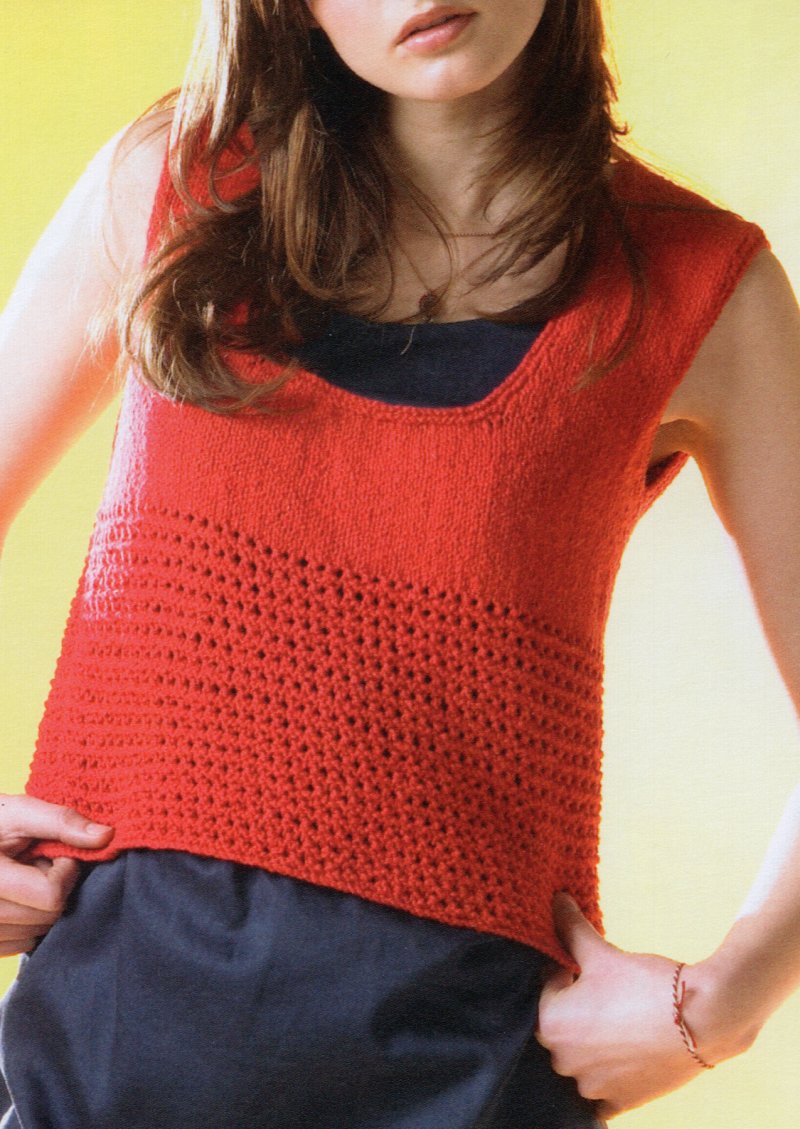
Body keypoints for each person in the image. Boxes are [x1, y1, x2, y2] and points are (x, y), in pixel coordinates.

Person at [0, 1, 799, 1126]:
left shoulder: (700, 286)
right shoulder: (170, 186)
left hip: (466, 1073)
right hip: (104, 1057)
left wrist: (727, 1001)